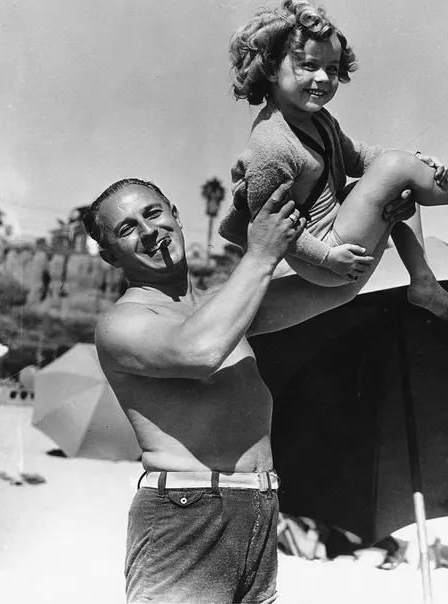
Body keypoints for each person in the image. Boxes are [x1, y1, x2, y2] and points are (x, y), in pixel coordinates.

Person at [83, 177, 413, 603]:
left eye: (152, 213)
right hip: (186, 513)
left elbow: (341, 285)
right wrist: (260, 253)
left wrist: (384, 213)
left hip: (256, 508)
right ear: (110, 255)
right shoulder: (120, 324)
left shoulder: (223, 306)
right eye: (127, 229)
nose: (149, 232)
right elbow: (201, 350)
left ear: (175, 216)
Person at [220, 0, 448, 322]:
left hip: (337, 239)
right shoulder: (270, 144)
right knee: (396, 170)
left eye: (332, 69)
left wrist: (417, 164)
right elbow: (270, 229)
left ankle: (423, 281)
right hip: (325, 254)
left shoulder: (320, 120)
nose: (322, 78)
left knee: (403, 182)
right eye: (308, 66)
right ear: (272, 67)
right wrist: (326, 257)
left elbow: (357, 158)